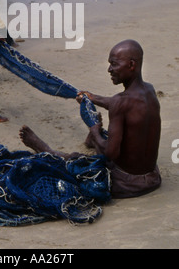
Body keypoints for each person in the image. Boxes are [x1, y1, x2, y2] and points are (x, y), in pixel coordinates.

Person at [19, 40, 162, 199]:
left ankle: (48, 150)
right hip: (152, 177)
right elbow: (125, 105)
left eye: (114, 64)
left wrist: (94, 131)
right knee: (116, 136)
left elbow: (110, 154)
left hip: (126, 183)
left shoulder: (119, 102)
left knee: (76, 161)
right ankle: (93, 140)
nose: (109, 69)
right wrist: (93, 98)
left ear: (131, 65)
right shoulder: (149, 90)